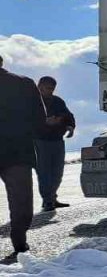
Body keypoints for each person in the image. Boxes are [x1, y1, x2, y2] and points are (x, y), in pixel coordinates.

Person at [0, 54, 48, 262]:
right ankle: (19, 241)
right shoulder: (24, 83)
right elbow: (40, 119)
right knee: (21, 200)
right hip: (17, 150)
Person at [35, 76, 76, 211]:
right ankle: (47, 200)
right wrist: (45, 121)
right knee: (44, 171)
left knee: (58, 172)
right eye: (48, 88)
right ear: (40, 86)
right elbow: (24, 120)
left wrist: (70, 126)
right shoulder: (31, 101)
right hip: (41, 140)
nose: (51, 91)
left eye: (53, 89)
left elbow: (68, 115)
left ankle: (52, 197)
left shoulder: (58, 101)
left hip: (57, 140)